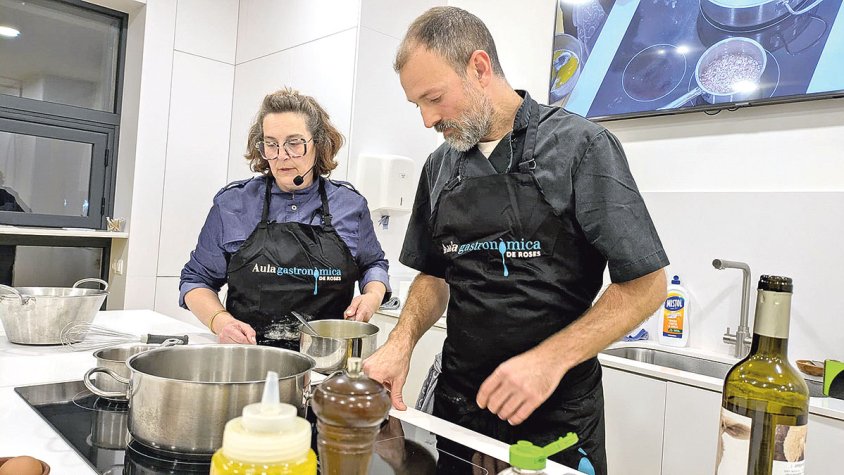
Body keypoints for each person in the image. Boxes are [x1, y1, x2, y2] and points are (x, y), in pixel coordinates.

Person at [362, 7, 668, 474]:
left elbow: (646, 285)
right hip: (459, 410)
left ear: (480, 68)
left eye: (434, 98)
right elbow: (434, 274)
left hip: (556, 423)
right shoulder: (438, 167)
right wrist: (401, 341)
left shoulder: (581, 148)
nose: (426, 120)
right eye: (416, 105)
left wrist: (547, 361)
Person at [180, 88, 390, 348]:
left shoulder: (350, 205)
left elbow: (373, 264)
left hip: (325, 363)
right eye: (271, 144)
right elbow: (196, 281)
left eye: (294, 143)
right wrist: (221, 321)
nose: (280, 156)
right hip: (249, 360)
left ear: (319, 143)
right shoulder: (233, 204)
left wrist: (372, 295)